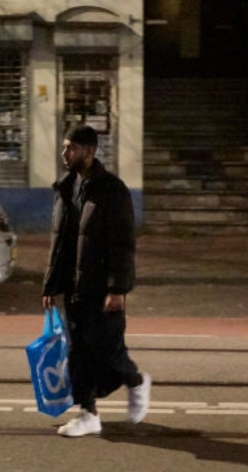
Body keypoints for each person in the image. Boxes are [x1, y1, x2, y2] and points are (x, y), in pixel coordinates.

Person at [43, 124, 150, 438]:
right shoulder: (66, 188)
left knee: (107, 350)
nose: (65, 153)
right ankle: (88, 414)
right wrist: (50, 284)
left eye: (71, 148)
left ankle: (136, 381)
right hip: (75, 288)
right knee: (79, 353)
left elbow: (122, 243)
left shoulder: (112, 191)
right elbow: (59, 242)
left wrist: (118, 288)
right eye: (64, 147)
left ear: (88, 153)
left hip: (102, 288)